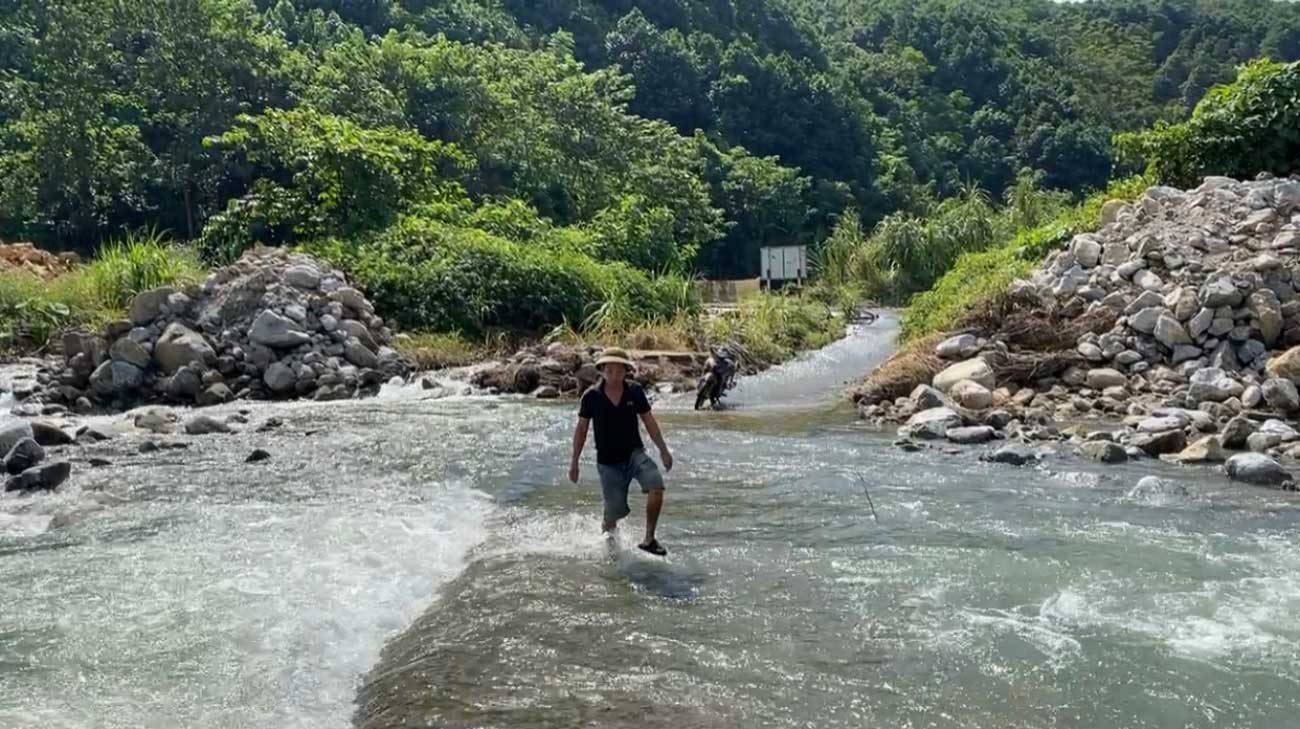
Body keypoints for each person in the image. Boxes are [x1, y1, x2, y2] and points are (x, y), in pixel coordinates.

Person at [568, 347, 674, 556]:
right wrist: (574, 462)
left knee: (656, 483)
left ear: (626, 371)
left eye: (619, 371)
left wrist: (663, 450)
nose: (614, 376)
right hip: (608, 463)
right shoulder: (591, 397)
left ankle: (649, 539)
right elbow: (581, 430)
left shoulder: (634, 391)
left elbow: (649, 421)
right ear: (602, 371)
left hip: (634, 454)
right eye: (610, 371)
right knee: (613, 514)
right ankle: (610, 549)